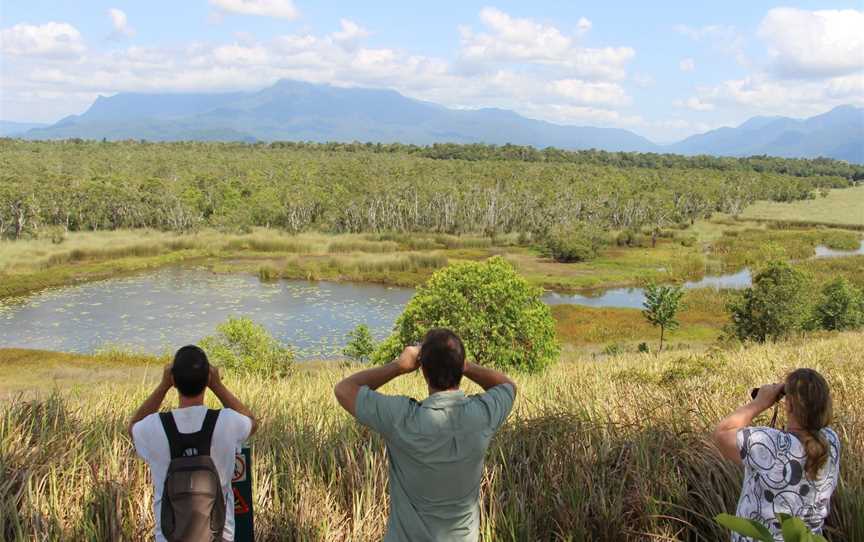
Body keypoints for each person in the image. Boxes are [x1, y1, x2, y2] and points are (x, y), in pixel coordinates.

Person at [334, 328, 517, 542]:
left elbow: (344, 390)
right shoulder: (481, 416)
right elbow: (508, 387)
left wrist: (398, 366)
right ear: (460, 368)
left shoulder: (401, 418)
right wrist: (464, 365)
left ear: (423, 372)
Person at [128, 345, 257, 542]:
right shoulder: (227, 422)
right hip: (219, 537)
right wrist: (218, 386)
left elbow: (133, 427)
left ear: (173, 380)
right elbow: (252, 422)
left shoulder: (154, 427)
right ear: (208, 379)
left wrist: (163, 386)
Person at [712, 368, 840, 541]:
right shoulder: (831, 441)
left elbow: (721, 433)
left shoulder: (770, 445)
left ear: (789, 405)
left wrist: (760, 402)